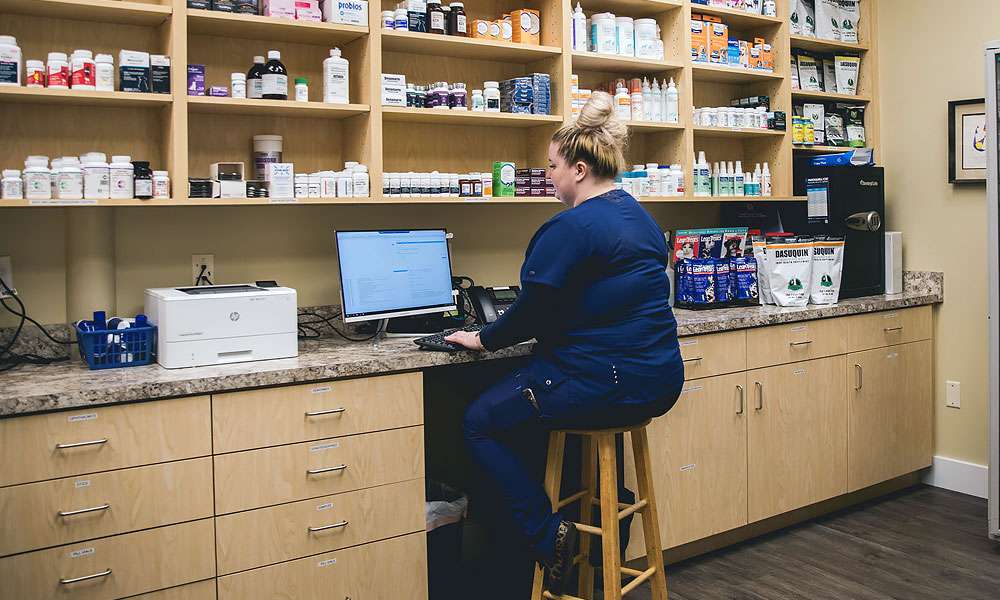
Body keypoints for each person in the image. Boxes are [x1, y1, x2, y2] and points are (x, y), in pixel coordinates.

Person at [445, 91, 684, 594]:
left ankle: (547, 531)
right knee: (572, 433)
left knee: (478, 422)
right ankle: (604, 526)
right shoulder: (638, 215)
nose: (548, 176)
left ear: (578, 169)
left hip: (602, 384)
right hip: (657, 380)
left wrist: (483, 338)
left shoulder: (569, 228)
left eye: (552, 166)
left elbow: (531, 311)